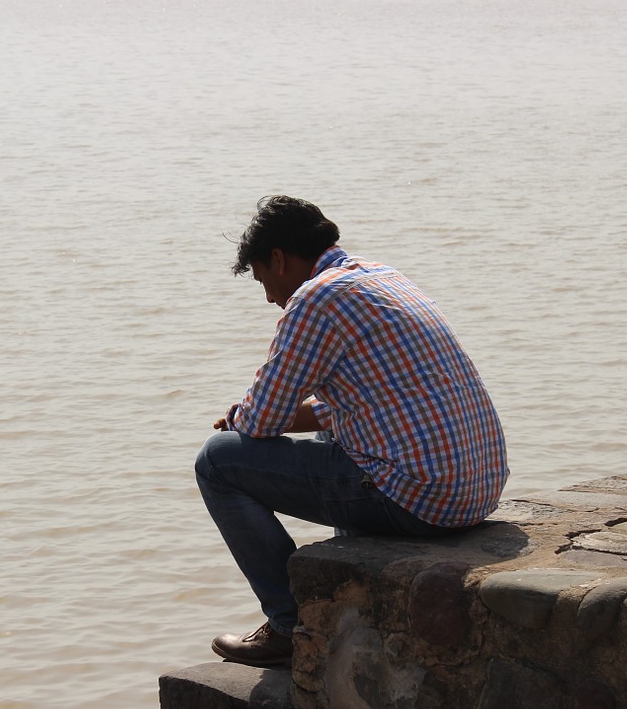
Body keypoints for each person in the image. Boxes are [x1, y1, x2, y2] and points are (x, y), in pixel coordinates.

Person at [196, 196, 509, 667]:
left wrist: (239, 420)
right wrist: (265, 417)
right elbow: (364, 403)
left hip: (422, 501)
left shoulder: (315, 299)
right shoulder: (381, 276)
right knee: (331, 431)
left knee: (217, 460)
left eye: (264, 279)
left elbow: (262, 420)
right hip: (477, 492)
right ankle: (343, 599)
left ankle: (290, 626)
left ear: (278, 258)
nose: (269, 297)